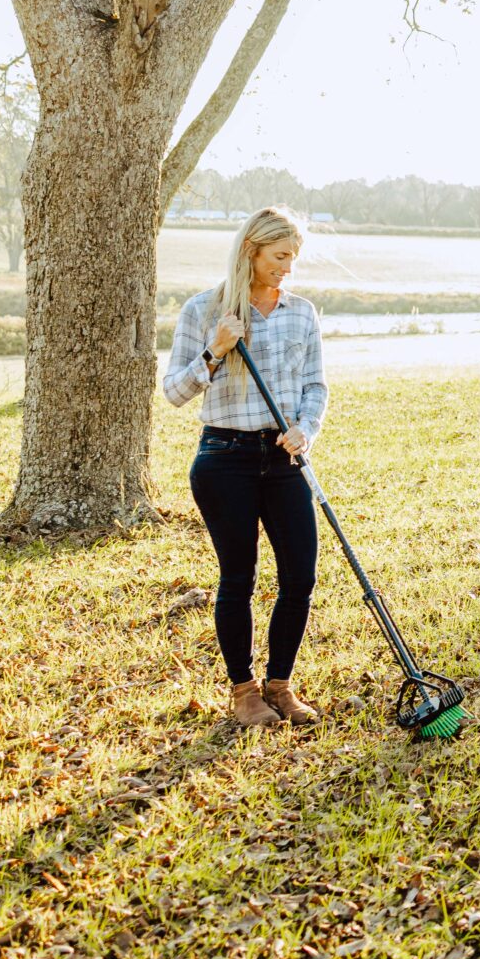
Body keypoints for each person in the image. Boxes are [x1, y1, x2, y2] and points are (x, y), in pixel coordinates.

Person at [162, 206, 327, 726]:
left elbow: (316, 386)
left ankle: (280, 686)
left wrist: (305, 428)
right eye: (279, 257)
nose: (287, 268)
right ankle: (244, 693)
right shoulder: (204, 310)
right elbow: (174, 393)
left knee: (300, 574)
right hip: (224, 459)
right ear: (251, 251)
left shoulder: (302, 312)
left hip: (284, 458)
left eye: (293, 258)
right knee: (239, 577)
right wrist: (215, 350)